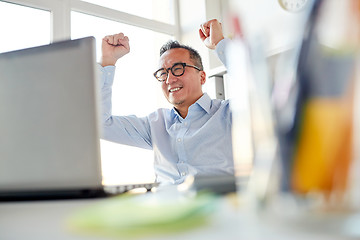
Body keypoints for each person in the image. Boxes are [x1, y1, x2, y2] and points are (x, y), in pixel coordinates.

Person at [99, 19, 233, 185]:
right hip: (164, 207)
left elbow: (257, 88)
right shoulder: (155, 124)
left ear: (202, 76)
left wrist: (219, 44)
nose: (169, 79)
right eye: (163, 73)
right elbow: (101, 125)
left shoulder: (229, 114)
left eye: (178, 69)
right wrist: (107, 61)